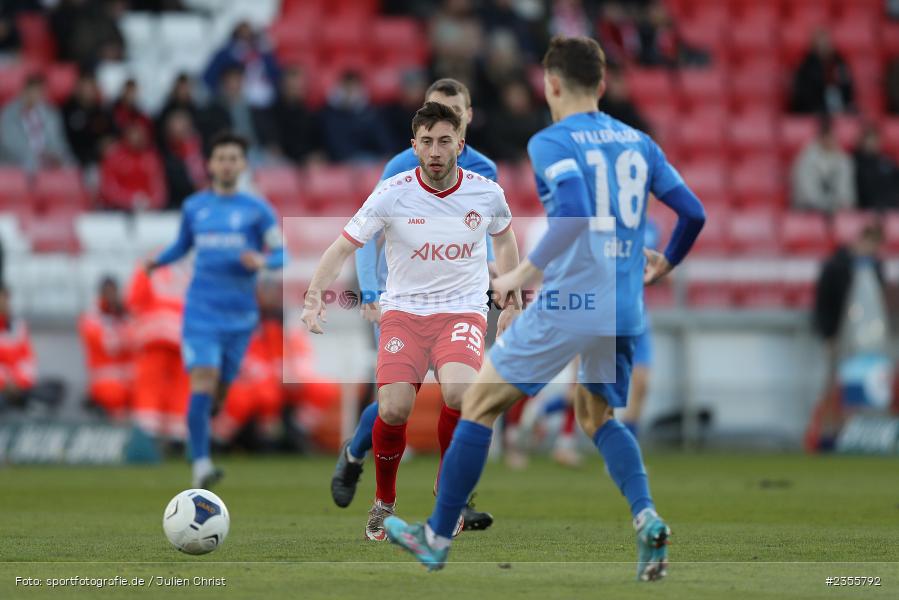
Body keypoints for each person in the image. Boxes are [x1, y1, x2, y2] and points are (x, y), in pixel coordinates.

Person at [384, 36, 706, 582]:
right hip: (624, 308)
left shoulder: (551, 142)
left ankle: (436, 536)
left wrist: (520, 275)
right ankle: (646, 516)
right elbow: (693, 213)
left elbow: (575, 213)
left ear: (551, 84)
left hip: (571, 300)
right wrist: (667, 262)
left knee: (479, 404)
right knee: (596, 417)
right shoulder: (640, 143)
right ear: (601, 85)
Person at [302, 101, 521, 541]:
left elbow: (506, 241)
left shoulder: (486, 192)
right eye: (427, 142)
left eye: (444, 141)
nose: (436, 150)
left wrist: (512, 302)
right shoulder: (393, 191)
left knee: (461, 392)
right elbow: (344, 245)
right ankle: (384, 502)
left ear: (460, 143)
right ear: (414, 146)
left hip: (462, 310)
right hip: (404, 313)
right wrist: (313, 298)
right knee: (394, 408)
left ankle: (449, 497)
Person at [147, 131, 285, 488]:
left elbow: (281, 253)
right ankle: (201, 465)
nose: (226, 163)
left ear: (243, 165)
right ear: (209, 164)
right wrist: (157, 261)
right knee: (202, 381)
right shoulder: (195, 207)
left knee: (219, 392)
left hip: (240, 318)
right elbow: (181, 245)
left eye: (233, 158)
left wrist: (262, 260)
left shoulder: (258, 210)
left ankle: (206, 417)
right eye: (220, 157)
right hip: (201, 314)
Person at [807, 222, 892, 451]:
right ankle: (828, 435)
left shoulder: (875, 266)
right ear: (863, 239)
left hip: (869, 340)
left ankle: (861, 433)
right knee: (834, 386)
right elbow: (824, 304)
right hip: (841, 336)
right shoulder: (836, 266)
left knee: (866, 385)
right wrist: (828, 335)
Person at [127, 253, 191, 443]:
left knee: (150, 385)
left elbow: (135, 300)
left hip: (154, 334)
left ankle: (147, 436)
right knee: (181, 387)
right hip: (183, 335)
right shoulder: (190, 269)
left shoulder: (148, 263)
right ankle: (178, 437)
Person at [619, 217, 660, 437]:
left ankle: (626, 449)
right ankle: (546, 411)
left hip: (638, 312)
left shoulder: (652, 228)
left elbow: (655, 267)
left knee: (641, 384)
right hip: (609, 311)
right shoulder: (612, 221)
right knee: (591, 389)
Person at [79, 276, 133, 419]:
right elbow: (110, 345)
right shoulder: (91, 317)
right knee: (115, 397)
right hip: (105, 384)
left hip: (130, 382)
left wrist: (123, 319)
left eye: (114, 292)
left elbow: (140, 342)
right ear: (101, 294)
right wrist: (125, 331)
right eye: (108, 292)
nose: (112, 296)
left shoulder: (125, 314)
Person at [0, 73, 73, 172]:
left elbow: (58, 142)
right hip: (18, 164)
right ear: (24, 91)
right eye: (32, 90)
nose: (35, 95)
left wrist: (56, 155)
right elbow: (9, 143)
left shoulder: (51, 113)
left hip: (48, 164)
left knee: (71, 168)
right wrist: (35, 157)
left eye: (40, 91)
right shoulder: (8, 113)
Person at [791, 115, 856, 213]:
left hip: (836, 209)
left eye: (832, 136)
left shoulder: (843, 159)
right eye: (826, 136)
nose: (830, 140)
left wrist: (840, 204)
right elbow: (806, 192)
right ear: (820, 137)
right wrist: (824, 205)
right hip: (809, 211)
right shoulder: (806, 158)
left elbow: (846, 192)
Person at [99, 121, 166, 211]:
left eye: (141, 134)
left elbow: (159, 187)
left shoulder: (152, 158)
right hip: (116, 211)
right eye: (134, 133)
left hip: (148, 210)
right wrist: (131, 199)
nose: (137, 137)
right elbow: (109, 187)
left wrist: (150, 202)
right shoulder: (114, 156)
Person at [790, 29, 854, 114]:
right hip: (815, 108)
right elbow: (802, 94)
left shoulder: (839, 62)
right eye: (820, 43)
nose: (824, 45)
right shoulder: (806, 66)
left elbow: (847, 85)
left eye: (826, 42)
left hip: (840, 105)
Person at [62, 72, 117, 167]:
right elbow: (65, 138)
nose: (87, 91)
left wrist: (108, 141)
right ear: (78, 89)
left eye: (90, 87)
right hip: (73, 158)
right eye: (84, 87)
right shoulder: (68, 110)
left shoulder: (102, 111)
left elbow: (113, 133)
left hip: (99, 159)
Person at [0, 285, 36, 409]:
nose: (3, 303)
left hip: (17, 387)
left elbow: (27, 360)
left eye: (5, 298)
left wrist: (18, 382)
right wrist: (4, 383)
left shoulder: (18, 326)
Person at [853, 126, 899, 211]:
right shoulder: (855, 163)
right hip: (866, 208)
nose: (872, 143)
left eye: (875, 140)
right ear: (862, 141)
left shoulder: (887, 163)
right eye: (869, 140)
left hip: (891, 208)